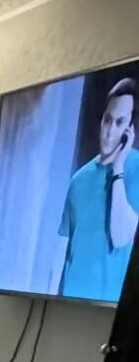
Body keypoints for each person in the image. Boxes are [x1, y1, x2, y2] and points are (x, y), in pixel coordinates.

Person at [53, 75, 139, 301]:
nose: (110, 131)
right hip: (66, 306)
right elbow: (64, 248)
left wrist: (118, 168)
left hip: (108, 312)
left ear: (130, 130)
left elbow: (121, 236)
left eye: (120, 122)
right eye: (107, 120)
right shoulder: (79, 178)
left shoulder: (136, 167)